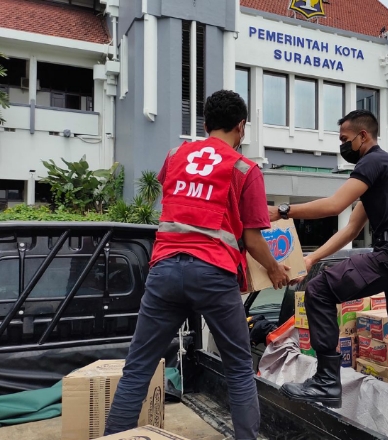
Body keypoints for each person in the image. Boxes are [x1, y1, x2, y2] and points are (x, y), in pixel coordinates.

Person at [104, 90, 289, 440]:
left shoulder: (175, 155)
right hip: (213, 273)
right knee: (237, 369)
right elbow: (251, 240)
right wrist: (276, 270)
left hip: (164, 270)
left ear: (205, 124)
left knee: (138, 368)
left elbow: (177, 199)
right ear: (241, 126)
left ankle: (114, 435)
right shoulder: (245, 169)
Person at [269, 109, 388, 407]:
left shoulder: (374, 161)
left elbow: (334, 205)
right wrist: (311, 259)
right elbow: (351, 229)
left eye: (345, 139)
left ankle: (327, 383)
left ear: (363, 136)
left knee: (318, 290)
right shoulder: (383, 172)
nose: (342, 146)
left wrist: (282, 211)